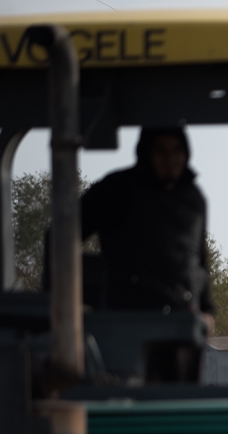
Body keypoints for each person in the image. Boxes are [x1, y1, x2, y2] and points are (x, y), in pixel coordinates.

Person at [80, 127, 214, 323]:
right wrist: (61, 299)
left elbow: (199, 259)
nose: (170, 158)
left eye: (176, 150)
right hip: (128, 322)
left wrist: (208, 310)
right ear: (146, 152)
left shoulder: (194, 199)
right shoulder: (116, 189)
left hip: (183, 322)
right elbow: (62, 236)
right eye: (161, 150)